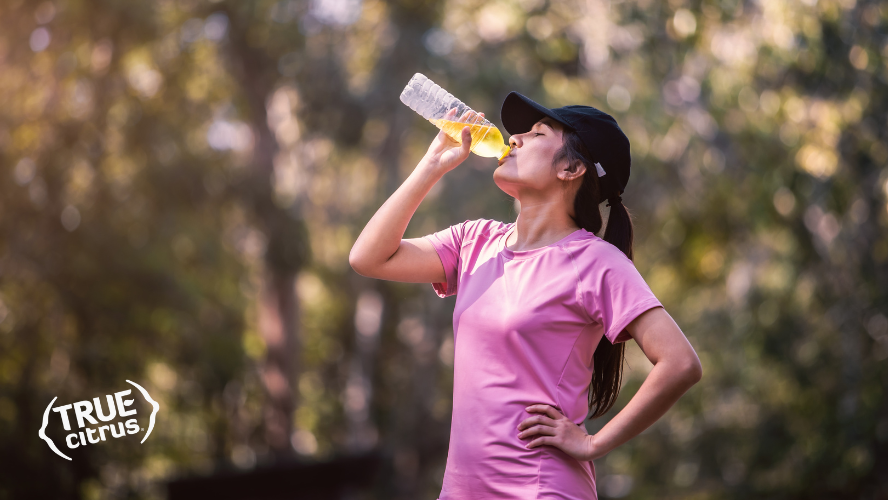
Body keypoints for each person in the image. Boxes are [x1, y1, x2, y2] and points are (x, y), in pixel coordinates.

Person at [349, 92, 703, 499]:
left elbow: (680, 363)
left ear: (571, 168)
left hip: (539, 489)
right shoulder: (475, 240)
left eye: (536, 133)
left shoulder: (596, 262)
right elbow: (368, 258)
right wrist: (432, 166)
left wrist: (593, 443)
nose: (514, 138)